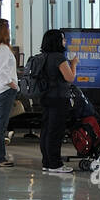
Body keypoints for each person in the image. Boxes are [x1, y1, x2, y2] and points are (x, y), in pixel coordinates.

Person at [37, 29, 77, 174]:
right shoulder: (59, 58)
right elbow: (70, 78)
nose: (65, 41)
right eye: (63, 39)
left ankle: (47, 162)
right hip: (59, 98)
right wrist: (74, 64)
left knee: (47, 130)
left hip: (46, 97)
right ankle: (55, 164)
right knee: (56, 132)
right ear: (57, 41)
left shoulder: (43, 56)